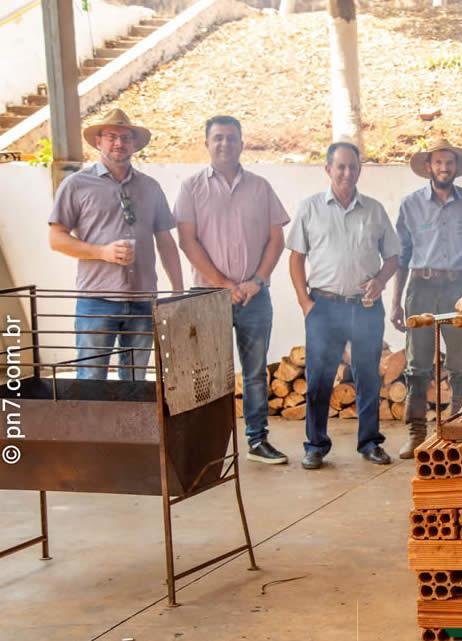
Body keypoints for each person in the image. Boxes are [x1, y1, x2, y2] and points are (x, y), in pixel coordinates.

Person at [174, 115, 291, 465]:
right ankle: (206, 447)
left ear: (242, 143)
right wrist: (224, 284)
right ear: (207, 143)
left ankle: (257, 440)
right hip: (207, 296)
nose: (224, 143)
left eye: (231, 138)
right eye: (218, 138)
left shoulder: (260, 187)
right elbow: (187, 241)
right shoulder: (191, 187)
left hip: (255, 296)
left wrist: (257, 281)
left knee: (254, 372)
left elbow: (276, 239)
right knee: (206, 374)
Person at [286, 142, 399, 469]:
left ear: (359, 170)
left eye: (353, 167)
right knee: (319, 380)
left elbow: (393, 256)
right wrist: (305, 303)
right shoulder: (310, 208)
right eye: (341, 166)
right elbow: (296, 259)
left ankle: (370, 443)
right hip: (324, 306)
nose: (347, 173)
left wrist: (380, 281)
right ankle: (316, 445)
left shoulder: (374, 210)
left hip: (365, 307)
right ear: (328, 169)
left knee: (368, 377)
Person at [48, 108, 183, 381]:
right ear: (99, 141)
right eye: (111, 136)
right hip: (96, 300)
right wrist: (102, 252)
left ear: (134, 144)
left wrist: (178, 290)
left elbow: (166, 240)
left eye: (126, 137)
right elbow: (56, 238)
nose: (119, 143)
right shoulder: (76, 184)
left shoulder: (151, 187)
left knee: (135, 381)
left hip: (143, 299)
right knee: (91, 380)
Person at [391, 139, 462, 459]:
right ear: (429, 167)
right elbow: (401, 256)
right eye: (438, 162)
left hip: (458, 288)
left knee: (459, 362)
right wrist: (395, 302)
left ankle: (454, 430)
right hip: (420, 288)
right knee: (417, 364)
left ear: (456, 167)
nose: (444, 168)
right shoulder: (410, 204)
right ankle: (416, 433)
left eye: (449, 162)